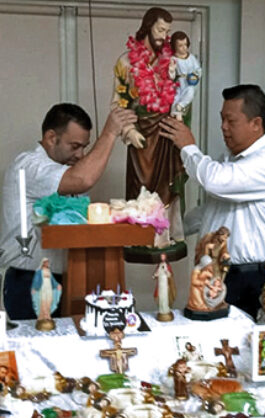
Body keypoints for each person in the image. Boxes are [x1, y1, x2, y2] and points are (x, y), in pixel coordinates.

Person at [159, 84, 265, 319]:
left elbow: (213, 180)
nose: (223, 127)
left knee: (237, 339)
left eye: (231, 121)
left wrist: (187, 146)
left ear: (256, 123)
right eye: (222, 119)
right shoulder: (230, 160)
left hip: (245, 278)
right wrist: (167, 229)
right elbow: (210, 212)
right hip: (216, 273)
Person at [0, 104, 136, 319]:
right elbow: (82, 180)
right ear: (51, 138)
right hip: (30, 279)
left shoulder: (67, 170)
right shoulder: (28, 165)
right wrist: (110, 132)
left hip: (71, 276)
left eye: (84, 147)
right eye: (74, 146)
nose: (80, 154)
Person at [111, 7, 186, 244]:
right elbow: (118, 104)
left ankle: (163, 239)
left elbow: (182, 95)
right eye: (160, 30)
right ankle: (142, 238)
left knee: (167, 188)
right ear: (148, 26)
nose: (164, 36)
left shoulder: (171, 61)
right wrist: (129, 131)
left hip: (165, 134)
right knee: (140, 189)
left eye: (167, 31)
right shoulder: (125, 62)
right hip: (141, 136)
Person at [169, 31, 202, 121]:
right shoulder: (173, 59)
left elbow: (198, 69)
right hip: (179, 82)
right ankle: (176, 114)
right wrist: (171, 70)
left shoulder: (191, 57)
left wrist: (195, 75)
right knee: (177, 96)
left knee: (190, 92)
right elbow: (171, 76)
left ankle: (181, 105)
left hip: (190, 81)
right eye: (180, 45)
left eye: (185, 45)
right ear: (174, 46)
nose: (184, 48)